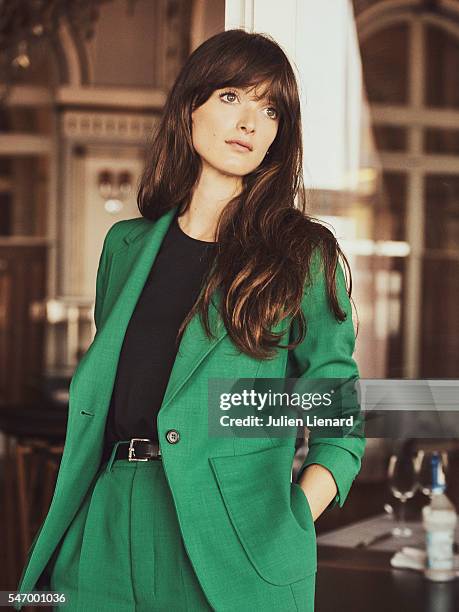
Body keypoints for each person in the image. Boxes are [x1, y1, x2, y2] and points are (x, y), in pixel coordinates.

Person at [15, 29, 366, 612]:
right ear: (191, 108)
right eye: (232, 97)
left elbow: (340, 417)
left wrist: (289, 516)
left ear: (281, 134)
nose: (250, 122)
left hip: (228, 538)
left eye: (270, 108)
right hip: (103, 520)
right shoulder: (124, 247)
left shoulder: (303, 255)